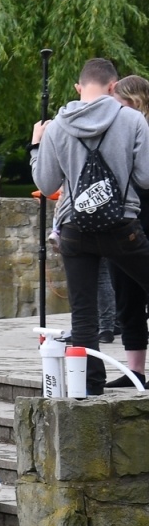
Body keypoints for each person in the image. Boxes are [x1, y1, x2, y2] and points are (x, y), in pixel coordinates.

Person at [32, 57, 149, 395]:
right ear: (114, 86)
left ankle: (89, 387)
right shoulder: (132, 120)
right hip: (121, 228)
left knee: (84, 316)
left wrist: (36, 145)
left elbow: (46, 180)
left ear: (78, 87)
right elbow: (145, 176)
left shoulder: (55, 126)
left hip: (74, 231)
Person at [105, 73, 149, 386]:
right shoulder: (119, 132)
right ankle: (135, 371)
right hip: (123, 224)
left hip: (143, 220)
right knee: (126, 295)